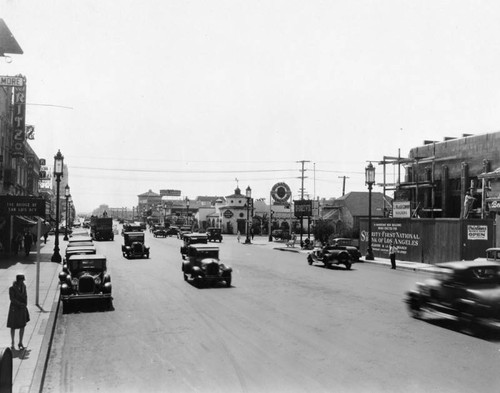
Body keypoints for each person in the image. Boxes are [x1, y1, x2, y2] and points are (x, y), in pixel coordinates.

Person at [7, 274, 30, 350]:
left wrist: (25, 303)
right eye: (21, 280)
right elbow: (12, 299)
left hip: (22, 308)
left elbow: (25, 295)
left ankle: (20, 342)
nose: (22, 282)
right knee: (13, 326)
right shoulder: (12, 288)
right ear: (18, 281)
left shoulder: (24, 287)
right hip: (15, 309)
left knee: (22, 326)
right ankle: (12, 343)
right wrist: (20, 304)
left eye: (23, 280)